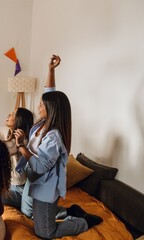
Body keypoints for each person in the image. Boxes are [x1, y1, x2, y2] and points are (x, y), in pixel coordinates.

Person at [14, 63, 103, 239]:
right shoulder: (42, 123)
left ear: (51, 109)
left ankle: (83, 222)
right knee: (25, 209)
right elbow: (50, 94)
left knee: (44, 232)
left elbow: (39, 166)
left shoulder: (54, 138)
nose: (38, 107)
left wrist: (21, 146)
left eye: (41, 105)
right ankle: (66, 211)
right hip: (33, 179)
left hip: (45, 186)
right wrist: (51, 70)